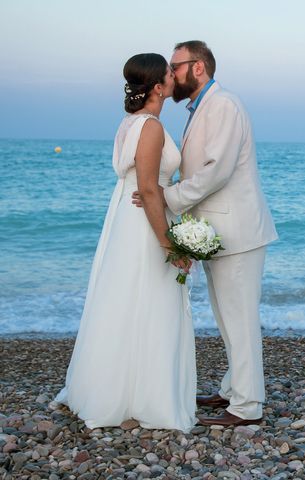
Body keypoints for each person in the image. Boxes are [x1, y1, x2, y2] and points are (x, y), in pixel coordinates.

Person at [133, 41, 278, 427]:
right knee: (227, 316)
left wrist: (166, 198)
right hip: (219, 230)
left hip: (239, 231)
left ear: (197, 67)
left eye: (175, 66)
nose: (171, 73)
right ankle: (233, 389)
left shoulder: (224, 104)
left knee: (240, 319)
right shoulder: (202, 107)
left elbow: (217, 170)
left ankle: (247, 407)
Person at [56, 53, 196, 432]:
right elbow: (148, 190)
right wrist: (170, 245)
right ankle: (139, 397)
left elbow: (143, 186)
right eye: (169, 72)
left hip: (127, 217)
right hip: (144, 224)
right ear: (157, 87)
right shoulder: (149, 127)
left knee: (126, 302)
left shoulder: (131, 122)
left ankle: (115, 388)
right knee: (147, 301)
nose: (173, 75)